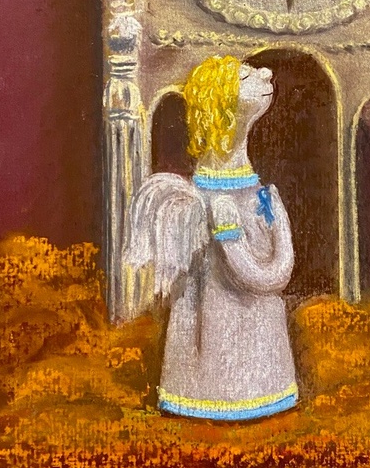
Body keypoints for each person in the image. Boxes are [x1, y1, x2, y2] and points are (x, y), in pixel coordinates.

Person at [124, 55, 298, 420]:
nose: (265, 73)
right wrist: (237, 235)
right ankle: (209, 394)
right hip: (212, 352)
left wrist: (270, 224)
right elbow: (261, 276)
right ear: (221, 107)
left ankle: (258, 388)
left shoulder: (254, 193)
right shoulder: (203, 204)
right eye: (245, 78)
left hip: (262, 356)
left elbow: (274, 275)